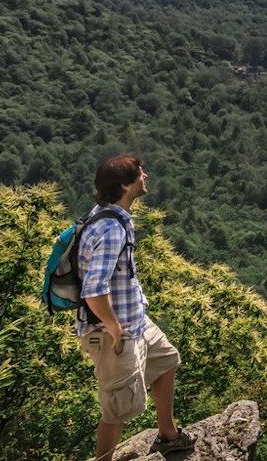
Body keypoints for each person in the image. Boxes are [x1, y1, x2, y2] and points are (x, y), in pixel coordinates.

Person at [78, 153, 193, 459]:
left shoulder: (109, 215)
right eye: (140, 173)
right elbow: (93, 288)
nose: (145, 177)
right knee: (117, 408)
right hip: (115, 332)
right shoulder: (111, 229)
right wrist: (114, 328)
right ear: (125, 186)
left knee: (167, 360)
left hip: (136, 321)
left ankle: (168, 435)